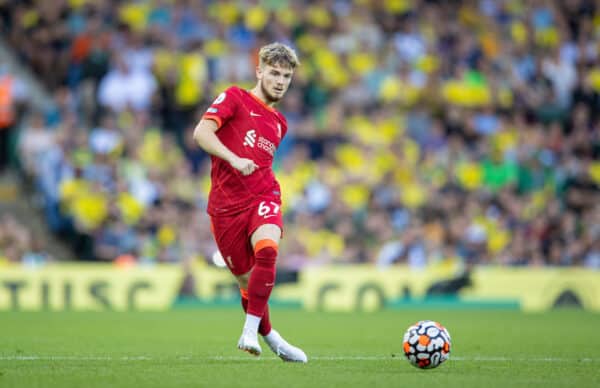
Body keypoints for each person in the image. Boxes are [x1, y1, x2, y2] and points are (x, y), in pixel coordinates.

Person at [193, 42, 307, 363]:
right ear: (259, 71)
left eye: (286, 75)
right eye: (274, 73)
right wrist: (233, 157)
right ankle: (271, 337)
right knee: (246, 280)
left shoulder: (280, 123)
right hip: (226, 206)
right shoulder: (234, 97)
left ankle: (248, 331)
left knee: (268, 252)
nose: (281, 80)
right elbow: (201, 133)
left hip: (264, 194)